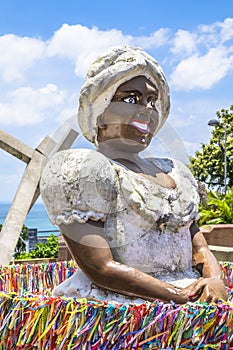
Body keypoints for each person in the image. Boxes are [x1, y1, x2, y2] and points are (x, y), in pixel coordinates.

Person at [40, 46, 227, 304]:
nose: (147, 109)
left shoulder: (174, 172)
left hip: (191, 299)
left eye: (152, 101)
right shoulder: (81, 170)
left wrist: (213, 281)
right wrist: (179, 297)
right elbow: (100, 268)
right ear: (100, 112)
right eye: (131, 99)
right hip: (121, 309)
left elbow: (200, 248)